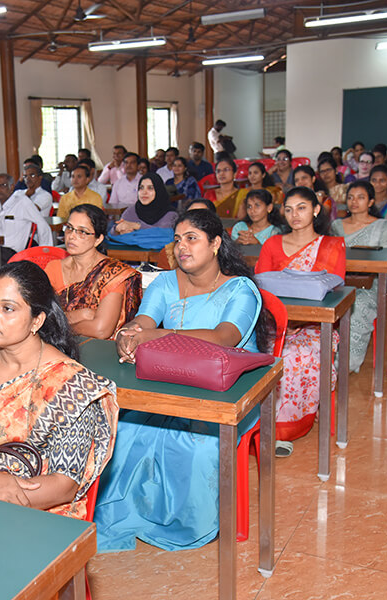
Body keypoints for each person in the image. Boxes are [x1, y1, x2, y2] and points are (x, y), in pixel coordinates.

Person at [94, 208, 268, 551]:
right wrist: (128, 335)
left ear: (216, 243)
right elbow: (144, 322)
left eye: (192, 239)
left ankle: (186, 525)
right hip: (165, 383)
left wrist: (158, 336)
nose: (182, 247)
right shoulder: (164, 282)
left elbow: (223, 339)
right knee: (124, 430)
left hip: (224, 395)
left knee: (193, 446)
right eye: (177, 240)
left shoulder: (239, 290)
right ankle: (132, 514)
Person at [0, 260, 119, 519]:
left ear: (37, 320)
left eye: (7, 308)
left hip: (37, 513)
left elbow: (64, 486)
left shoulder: (71, 384)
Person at [255, 187, 345, 450]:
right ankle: (250, 425)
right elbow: (261, 290)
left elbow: (331, 293)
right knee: (248, 351)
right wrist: (280, 322)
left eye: (302, 207)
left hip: (314, 327)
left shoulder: (331, 245)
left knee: (294, 356)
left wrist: (298, 324)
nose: (295, 214)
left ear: (316, 210)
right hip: (272, 323)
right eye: (289, 208)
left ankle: (284, 430)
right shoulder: (272, 244)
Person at [46, 204, 141, 339]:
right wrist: (82, 315)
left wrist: (61, 326)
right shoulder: (53, 268)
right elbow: (42, 316)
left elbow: (101, 330)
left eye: (82, 232)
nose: (72, 236)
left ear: (98, 239)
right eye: (69, 228)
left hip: (100, 349)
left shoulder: (112, 273)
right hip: (60, 347)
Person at [330, 181, 387, 373]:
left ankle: (344, 365)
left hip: (369, 284)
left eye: (360, 197)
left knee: (358, 308)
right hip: (338, 282)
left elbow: (386, 260)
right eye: (350, 197)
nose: (354, 201)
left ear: (371, 201)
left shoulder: (382, 226)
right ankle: (321, 363)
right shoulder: (336, 226)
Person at [0, 173, 53, 260]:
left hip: (11, 252)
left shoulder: (22, 203)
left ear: (11, 187)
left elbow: (43, 225)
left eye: (2, 186)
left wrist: (45, 254)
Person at [112, 173, 177, 235]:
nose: (144, 192)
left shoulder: (170, 214)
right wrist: (117, 229)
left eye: (150, 188)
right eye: (141, 188)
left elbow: (163, 234)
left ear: (158, 191)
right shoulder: (131, 211)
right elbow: (112, 233)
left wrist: (136, 226)